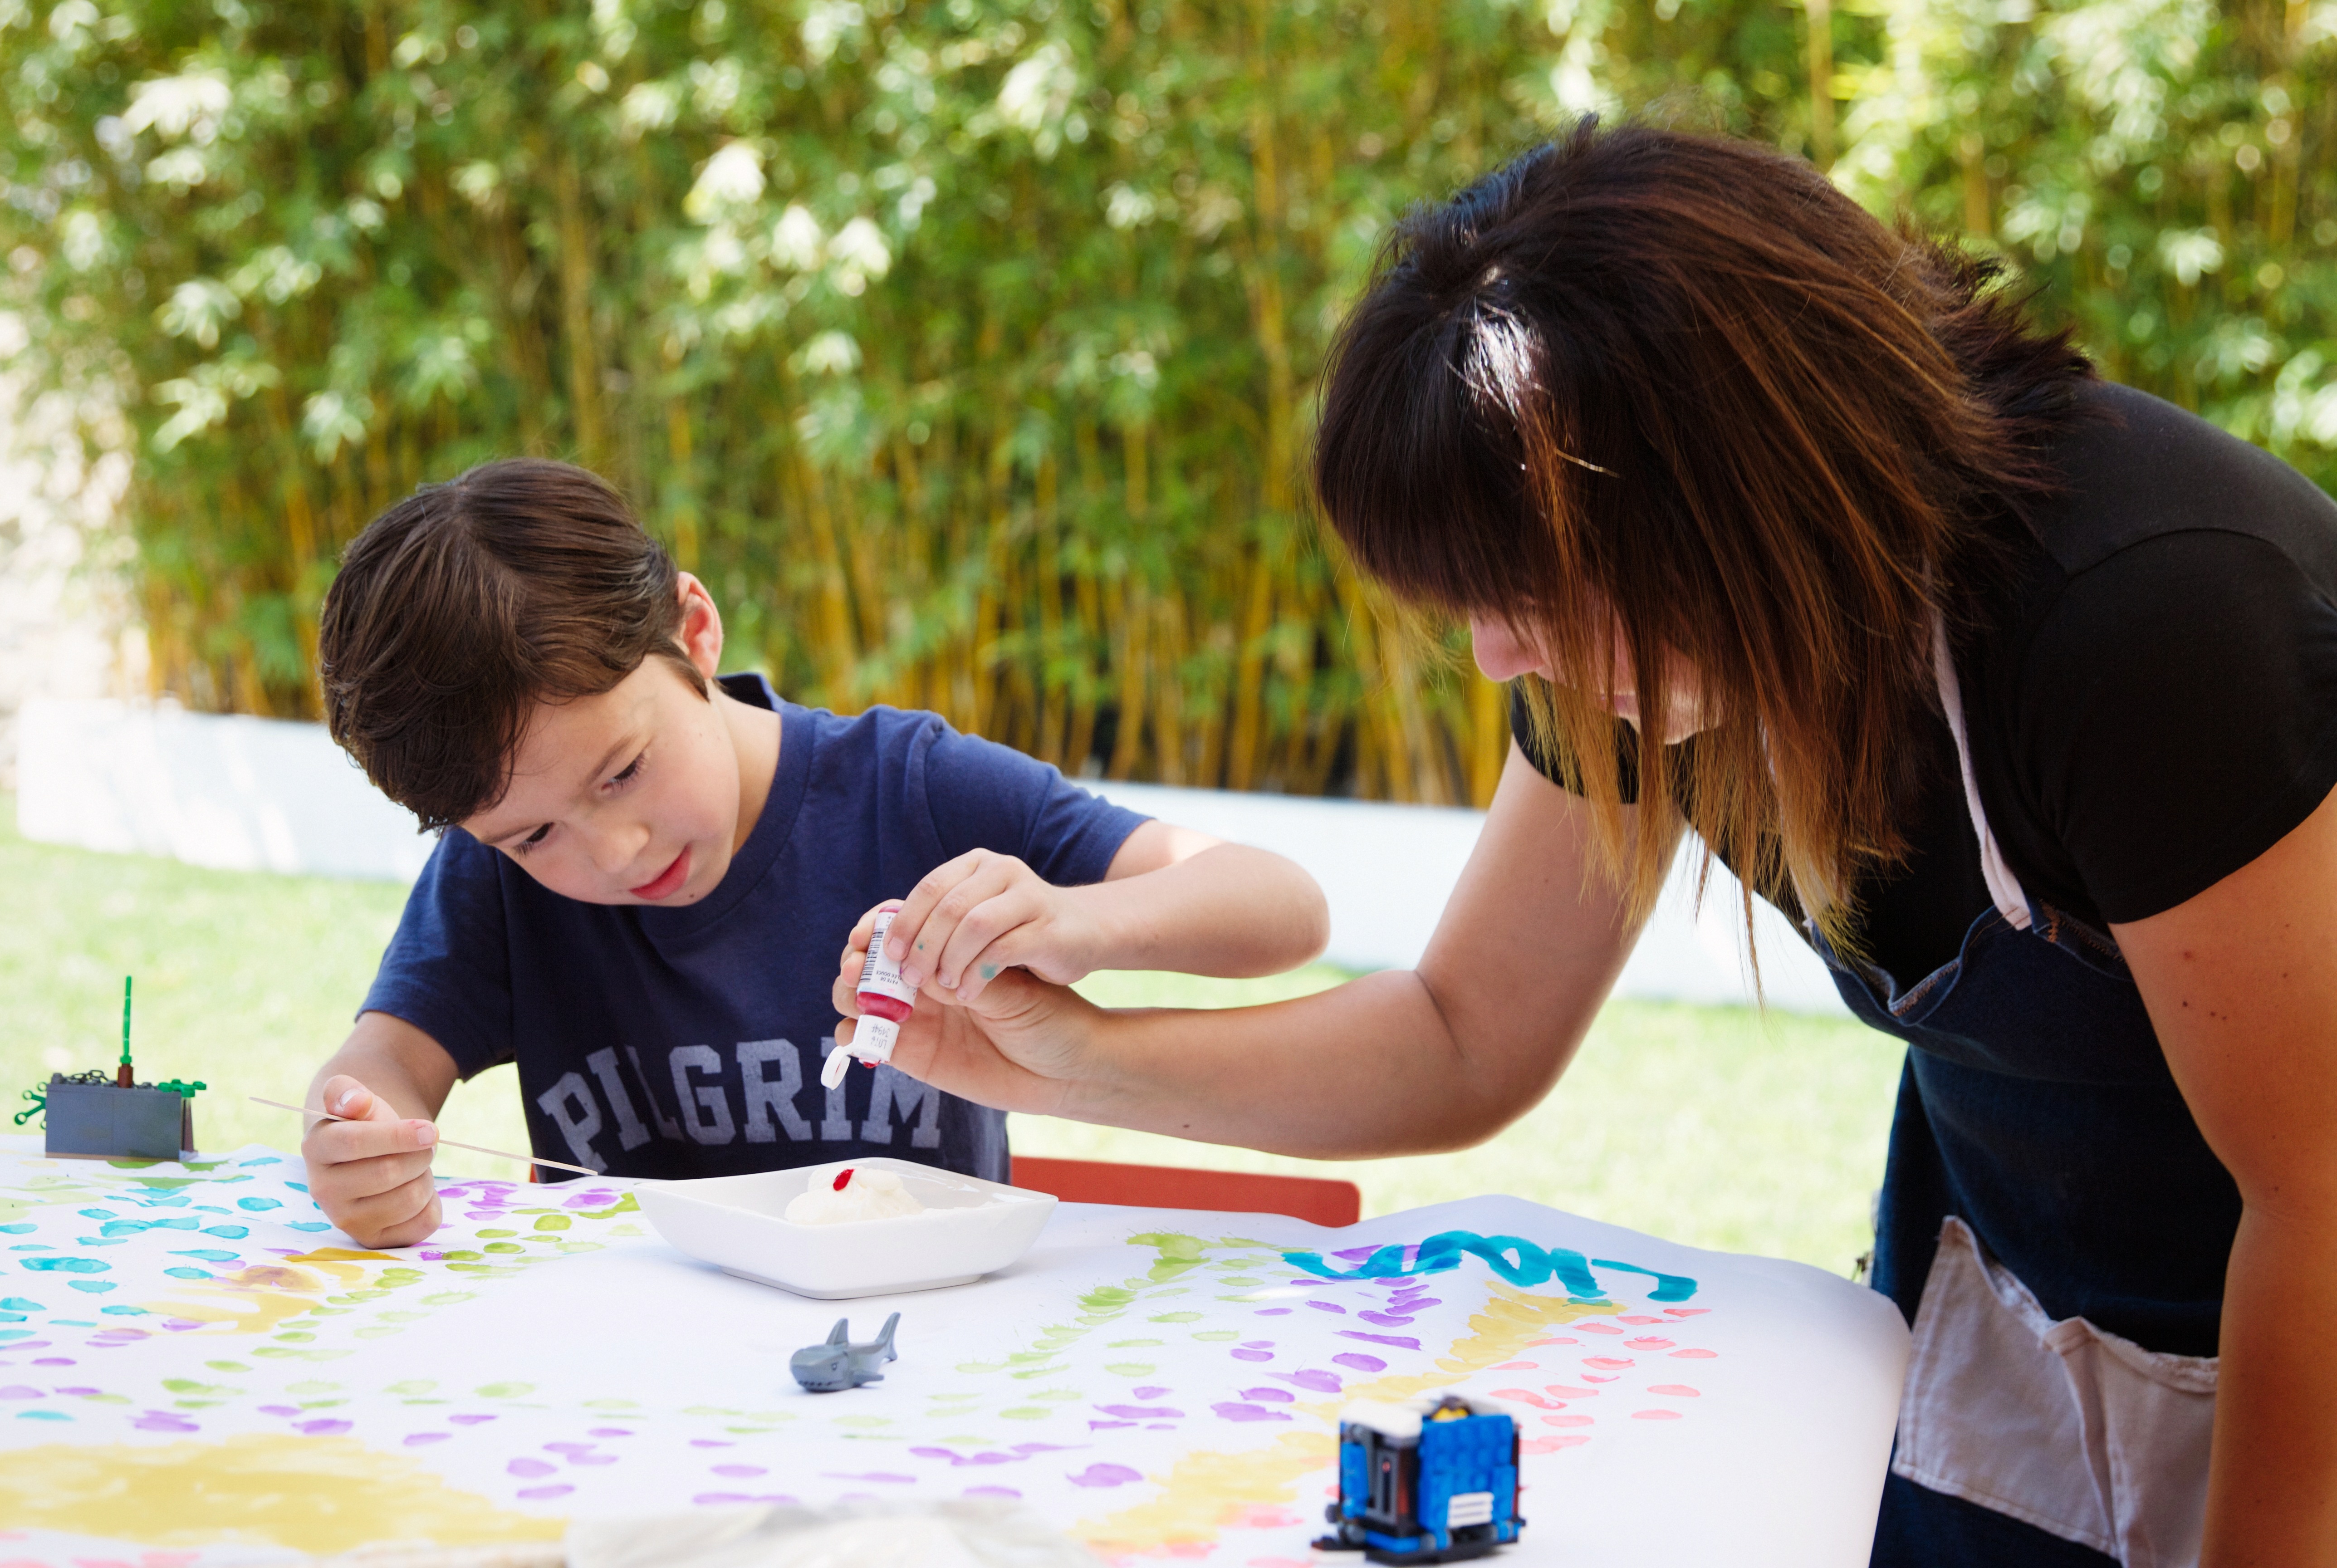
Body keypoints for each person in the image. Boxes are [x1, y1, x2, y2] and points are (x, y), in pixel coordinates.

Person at [838, 122, 2337, 1566]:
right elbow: (1462, 1031)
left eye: (1531, 594)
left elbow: (2315, 1189)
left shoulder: (2149, 620)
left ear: (1740, 505)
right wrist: (1070, 1058)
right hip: (2017, 1259)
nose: (1500, 659)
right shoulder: (1628, 637)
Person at [303, 458, 1327, 1250]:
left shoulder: (912, 789)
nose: (614, 850)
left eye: (622, 771)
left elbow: (1282, 907)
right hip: (635, 1390)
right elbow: (387, 1061)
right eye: (533, 834)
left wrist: (1075, 918)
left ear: (692, 632)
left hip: (924, 1360)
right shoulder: (498, 877)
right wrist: (356, 1131)